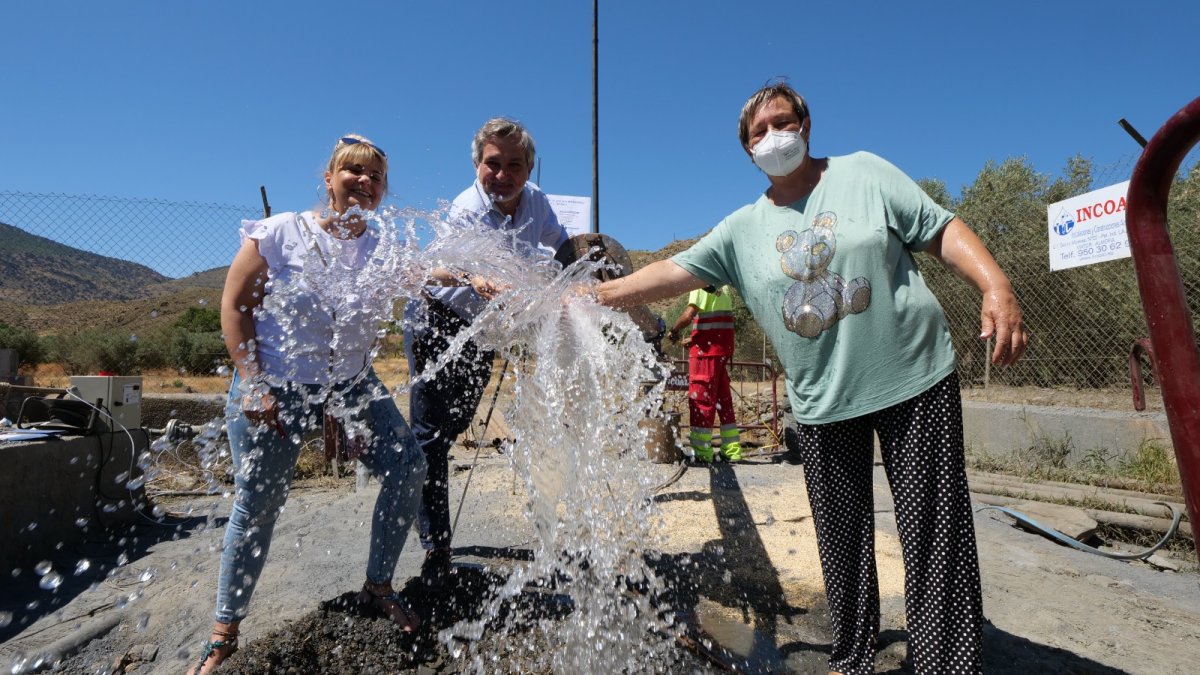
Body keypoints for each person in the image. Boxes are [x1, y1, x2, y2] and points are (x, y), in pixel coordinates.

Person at [597, 82, 1028, 675]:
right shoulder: (741, 229)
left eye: (783, 122)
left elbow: (940, 228)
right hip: (822, 400)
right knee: (841, 541)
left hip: (912, 380)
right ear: (747, 150)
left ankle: (945, 664)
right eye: (759, 131)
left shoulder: (865, 173)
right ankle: (852, 658)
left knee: (935, 534)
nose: (774, 136)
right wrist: (597, 295)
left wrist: (996, 285)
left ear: (806, 125)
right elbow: (673, 271)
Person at [193, 135, 428, 674]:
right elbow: (235, 306)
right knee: (259, 503)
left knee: (407, 466)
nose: (365, 181)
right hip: (275, 384)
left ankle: (378, 587)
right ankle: (224, 633)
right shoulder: (281, 232)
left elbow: (430, 275)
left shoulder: (383, 244)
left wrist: (477, 277)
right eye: (353, 171)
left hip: (352, 382)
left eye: (376, 177)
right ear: (329, 178)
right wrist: (253, 383)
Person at [403, 117, 569, 588]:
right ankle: (436, 549)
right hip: (437, 319)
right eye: (492, 164)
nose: (502, 175)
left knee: (455, 424)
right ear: (477, 164)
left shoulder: (536, 201)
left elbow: (561, 245)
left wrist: (578, 275)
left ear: (529, 168)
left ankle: (427, 501)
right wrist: (475, 276)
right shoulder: (465, 211)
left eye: (514, 165)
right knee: (431, 437)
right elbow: (445, 268)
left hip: (481, 330)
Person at [667, 285, 742, 462]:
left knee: (701, 400)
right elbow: (715, 323)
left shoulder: (702, 283)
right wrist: (695, 339)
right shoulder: (723, 286)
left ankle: (702, 452)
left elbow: (688, 315)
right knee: (723, 401)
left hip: (706, 353)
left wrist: (674, 330)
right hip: (722, 349)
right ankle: (732, 450)